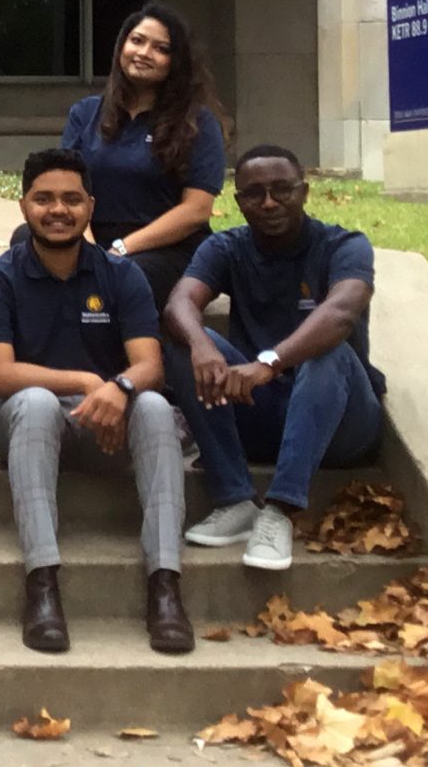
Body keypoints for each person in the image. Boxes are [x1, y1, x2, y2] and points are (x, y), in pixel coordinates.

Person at [0, 149, 191, 655]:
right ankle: (42, 584)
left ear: (91, 206)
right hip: (21, 422)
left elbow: (149, 366)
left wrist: (120, 389)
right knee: (36, 403)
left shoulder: (121, 275)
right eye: (43, 199)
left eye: (72, 199)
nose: (58, 209)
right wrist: (93, 382)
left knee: (154, 408)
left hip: (103, 425)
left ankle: (165, 586)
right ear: (24, 206)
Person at [162, 145, 385, 572]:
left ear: (304, 191)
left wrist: (270, 362)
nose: (268, 203)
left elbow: (341, 312)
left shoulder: (345, 245)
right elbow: (179, 303)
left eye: (282, 190)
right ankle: (235, 500)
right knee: (182, 342)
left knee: (327, 353)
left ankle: (280, 511)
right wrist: (202, 346)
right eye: (254, 193)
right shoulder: (228, 247)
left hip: (340, 425)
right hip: (261, 415)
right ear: (238, 201)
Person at [60, 3, 229, 310]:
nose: (144, 53)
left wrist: (122, 249)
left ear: (176, 62)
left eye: (160, 48)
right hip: (90, 235)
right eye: (137, 40)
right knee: (27, 243)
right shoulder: (85, 113)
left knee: (125, 277)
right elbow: (68, 187)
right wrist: (84, 246)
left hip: (167, 245)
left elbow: (196, 211)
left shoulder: (199, 122)